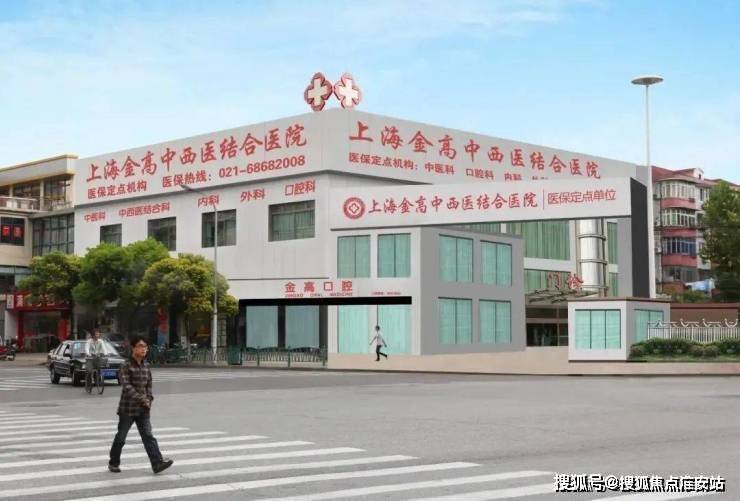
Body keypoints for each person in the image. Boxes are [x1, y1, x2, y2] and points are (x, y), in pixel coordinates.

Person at [108, 335, 173, 474]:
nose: (144, 349)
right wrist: (141, 399)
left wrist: (149, 399)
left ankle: (157, 463)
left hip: (143, 409)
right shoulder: (125, 365)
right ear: (133, 348)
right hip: (128, 409)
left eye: (145, 346)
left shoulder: (146, 366)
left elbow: (149, 385)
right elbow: (127, 386)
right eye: (140, 346)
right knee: (121, 437)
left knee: (148, 436)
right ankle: (113, 463)